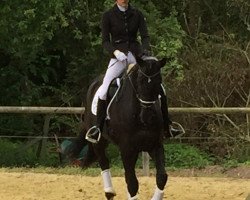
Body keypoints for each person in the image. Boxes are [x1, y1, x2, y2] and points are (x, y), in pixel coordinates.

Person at [86, 0, 181, 143]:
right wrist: (115, 52)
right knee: (104, 89)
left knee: (160, 87)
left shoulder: (137, 14)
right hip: (118, 57)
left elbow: (145, 37)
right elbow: (105, 41)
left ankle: (168, 125)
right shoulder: (108, 15)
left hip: (137, 56)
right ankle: (97, 128)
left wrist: (143, 51)